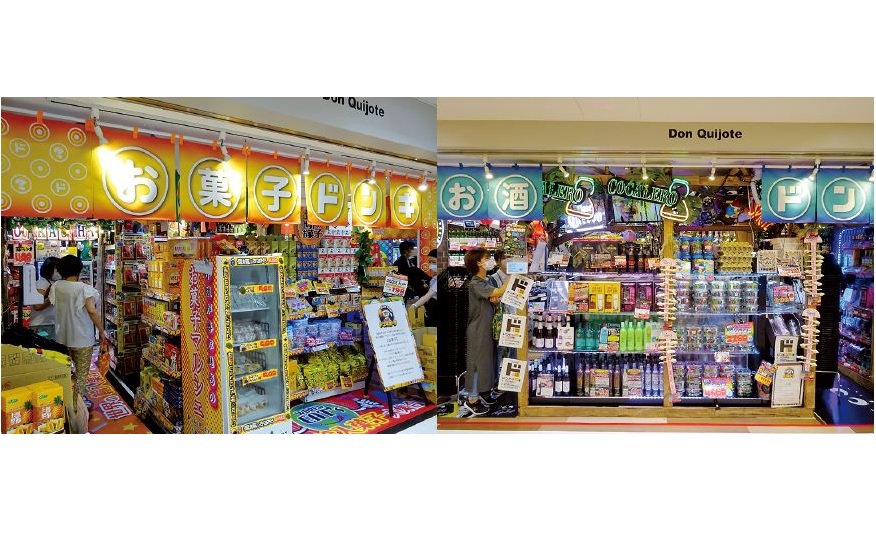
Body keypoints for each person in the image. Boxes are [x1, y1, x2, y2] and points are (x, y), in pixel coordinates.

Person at [49, 255, 107, 412]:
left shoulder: (57, 286)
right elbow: (92, 311)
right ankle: (76, 409)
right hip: (82, 338)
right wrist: (101, 331)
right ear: (79, 270)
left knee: (66, 373)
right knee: (81, 375)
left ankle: (66, 405)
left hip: (62, 337)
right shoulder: (84, 288)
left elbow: (54, 303)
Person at [462, 248, 509, 416]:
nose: (490, 260)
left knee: (487, 362)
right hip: (478, 329)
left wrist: (495, 302)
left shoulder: (485, 281)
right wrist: (512, 275)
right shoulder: (476, 283)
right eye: (487, 258)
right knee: (476, 363)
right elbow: (499, 292)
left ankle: (484, 391)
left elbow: (493, 298)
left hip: (486, 327)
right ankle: (472, 399)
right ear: (478, 263)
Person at [29, 256, 61, 340]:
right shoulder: (42, 283)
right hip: (42, 325)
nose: (59, 272)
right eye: (57, 269)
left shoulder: (53, 283)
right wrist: (52, 297)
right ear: (49, 269)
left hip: (50, 323)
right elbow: (37, 306)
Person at [410, 249, 438, 327]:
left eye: (433, 262)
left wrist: (415, 305)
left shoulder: (441, 278)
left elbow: (429, 295)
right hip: (432, 310)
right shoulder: (435, 277)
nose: (431, 265)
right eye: (429, 262)